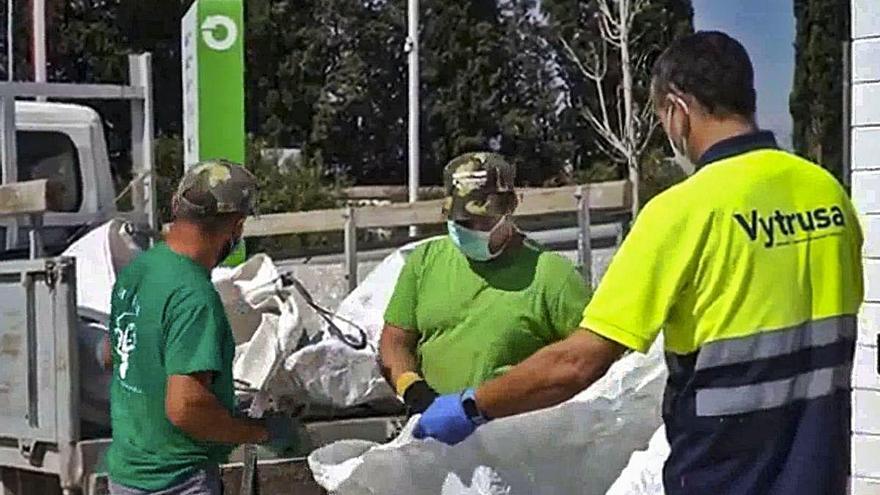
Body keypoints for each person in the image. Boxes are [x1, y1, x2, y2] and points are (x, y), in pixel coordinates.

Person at [414, 31, 863, 495]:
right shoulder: (829, 195)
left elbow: (577, 363)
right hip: (821, 476)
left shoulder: (682, 213)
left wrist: (470, 405)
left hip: (724, 479)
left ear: (677, 111)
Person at [106, 160, 296, 495]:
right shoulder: (194, 296)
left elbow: (115, 354)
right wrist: (260, 432)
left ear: (177, 205)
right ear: (236, 227)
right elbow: (185, 409)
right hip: (174, 482)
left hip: (126, 474)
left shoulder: (139, 271)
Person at [379, 152, 591, 415]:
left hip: (518, 437)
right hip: (433, 433)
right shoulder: (424, 263)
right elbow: (394, 342)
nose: (471, 228)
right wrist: (413, 389)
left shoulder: (553, 275)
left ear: (511, 207)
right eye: (462, 220)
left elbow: (588, 359)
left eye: (484, 219)